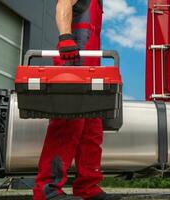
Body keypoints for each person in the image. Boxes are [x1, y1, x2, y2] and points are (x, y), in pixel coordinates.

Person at [33, 1, 120, 199]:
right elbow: (63, 4)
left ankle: (88, 189)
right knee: (66, 127)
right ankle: (47, 190)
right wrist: (65, 37)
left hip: (91, 71)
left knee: (92, 131)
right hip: (71, 65)